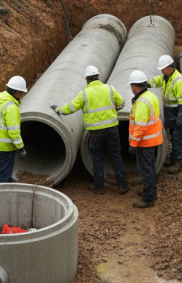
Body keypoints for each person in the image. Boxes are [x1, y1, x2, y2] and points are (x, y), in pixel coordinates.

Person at [51, 65, 128, 195]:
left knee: (97, 158)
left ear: (87, 79)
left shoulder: (84, 94)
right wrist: (112, 111)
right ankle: (122, 186)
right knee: (116, 156)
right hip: (112, 129)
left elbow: (71, 108)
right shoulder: (109, 88)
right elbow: (121, 103)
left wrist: (58, 109)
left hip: (96, 132)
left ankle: (99, 187)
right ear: (98, 77)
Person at [148, 54, 182, 174]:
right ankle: (173, 159)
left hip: (180, 114)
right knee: (174, 136)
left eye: (163, 69)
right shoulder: (166, 78)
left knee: (177, 138)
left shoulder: (178, 81)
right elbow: (156, 81)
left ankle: (177, 162)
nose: (162, 72)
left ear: (169, 68)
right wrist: (144, 84)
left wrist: (180, 118)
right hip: (172, 113)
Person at [127, 69, 163, 208]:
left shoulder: (141, 103)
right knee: (150, 168)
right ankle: (151, 193)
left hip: (145, 142)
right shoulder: (151, 96)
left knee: (145, 170)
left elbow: (140, 127)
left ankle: (148, 199)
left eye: (131, 86)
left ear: (134, 86)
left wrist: (133, 144)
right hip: (153, 139)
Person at [0, 75, 27, 183]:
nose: (21, 95)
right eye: (21, 93)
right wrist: (21, 147)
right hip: (5, 147)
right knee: (4, 173)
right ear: (16, 92)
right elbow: (13, 131)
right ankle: (1, 195)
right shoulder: (12, 108)